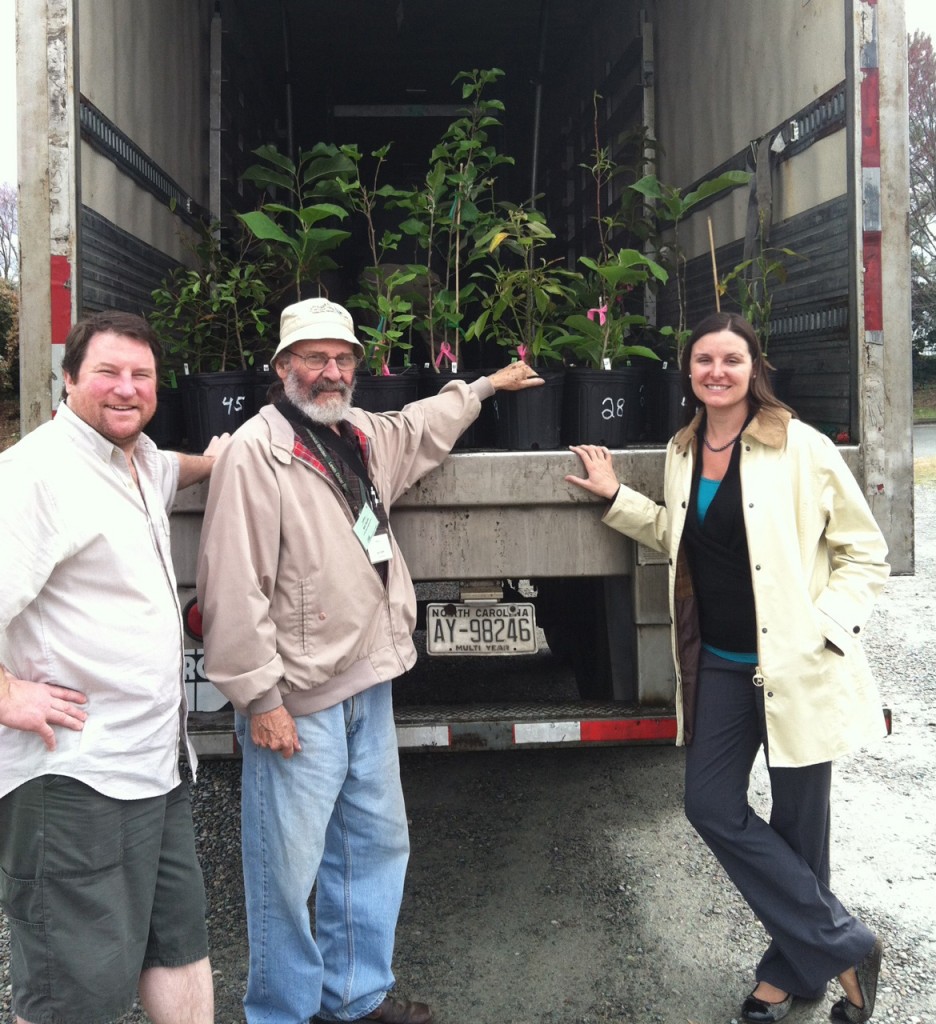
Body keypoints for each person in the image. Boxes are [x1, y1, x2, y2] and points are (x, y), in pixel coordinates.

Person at [196, 296, 542, 1024]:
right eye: (315, 358)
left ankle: (353, 1000)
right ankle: (283, 1012)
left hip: (366, 681)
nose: (330, 372)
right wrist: (261, 701)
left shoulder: (356, 433)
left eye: (343, 358)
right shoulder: (257, 454)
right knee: (284, 874)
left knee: (372, 845)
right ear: (282, 366)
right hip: (298, 695)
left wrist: (481, 389)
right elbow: (232, 585)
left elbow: (419, 427)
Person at [566, 311, 888, 1024]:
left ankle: (791, 970)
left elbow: (866, 552)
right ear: (689, 371)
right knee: (710, 806)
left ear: (754, 369)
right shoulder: (683, 450)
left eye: (731, 360)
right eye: (703, 359)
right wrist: (616, 496)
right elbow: (679, 537)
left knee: (802, 830)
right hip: (719, 665)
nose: (717, 371)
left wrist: (825, 628)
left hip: (796, 667)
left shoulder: (799, 447)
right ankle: (844, 944)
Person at [0, 310, 227, 1024]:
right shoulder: (35, 475)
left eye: (141, 376)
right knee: (79, 989)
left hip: (155, 767)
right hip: (74, 775)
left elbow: (173, 470)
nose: (125, 389)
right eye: (107, 373)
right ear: (69, 380)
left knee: (177, 944)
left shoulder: (136, 462)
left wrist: (219, 460)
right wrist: (7, 694)